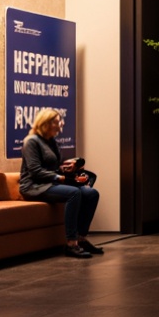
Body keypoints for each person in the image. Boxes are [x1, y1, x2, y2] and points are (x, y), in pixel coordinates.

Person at [19, 108, 102, 258]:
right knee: (74, 193)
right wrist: (61, 178)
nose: (61, 124)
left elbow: (54, 167)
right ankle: (71, 243)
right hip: (34, 186)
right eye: (57, 121)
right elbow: (35, 171)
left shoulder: (51, 141)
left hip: (51, 182)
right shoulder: (31, 141)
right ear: (46, 123)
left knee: (91, 193)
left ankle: (81, 238)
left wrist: (68, 168)